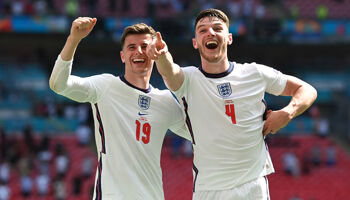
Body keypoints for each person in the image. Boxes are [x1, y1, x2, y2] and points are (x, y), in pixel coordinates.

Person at [146, 8, 317, 200]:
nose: (210, 32)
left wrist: (287, 113)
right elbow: (169, 71)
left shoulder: (255, 73)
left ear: (229, 38)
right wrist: (161, 54)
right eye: (202, 30)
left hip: (252, 186)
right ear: (195, 43)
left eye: (217, 28)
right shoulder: (188, 80)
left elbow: (307, 90)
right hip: (209, 190)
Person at [49, 17, 190, 199]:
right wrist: (73, 39)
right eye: (131, 47)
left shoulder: (166, 101)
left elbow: (200, 136)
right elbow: (58, 85)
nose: (138, 52)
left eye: (145, 46)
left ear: (154, 53)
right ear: (123, 56)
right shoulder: (105, 86)